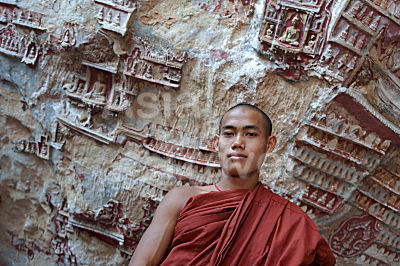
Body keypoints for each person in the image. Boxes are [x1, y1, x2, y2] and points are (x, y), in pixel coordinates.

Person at [129, 103, 336, 265]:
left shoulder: (291, 221)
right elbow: (143, 262)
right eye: (229, 134)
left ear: (269, 144)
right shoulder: (182, 199)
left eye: (251, 134)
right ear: (216, 143)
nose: (238, 142)